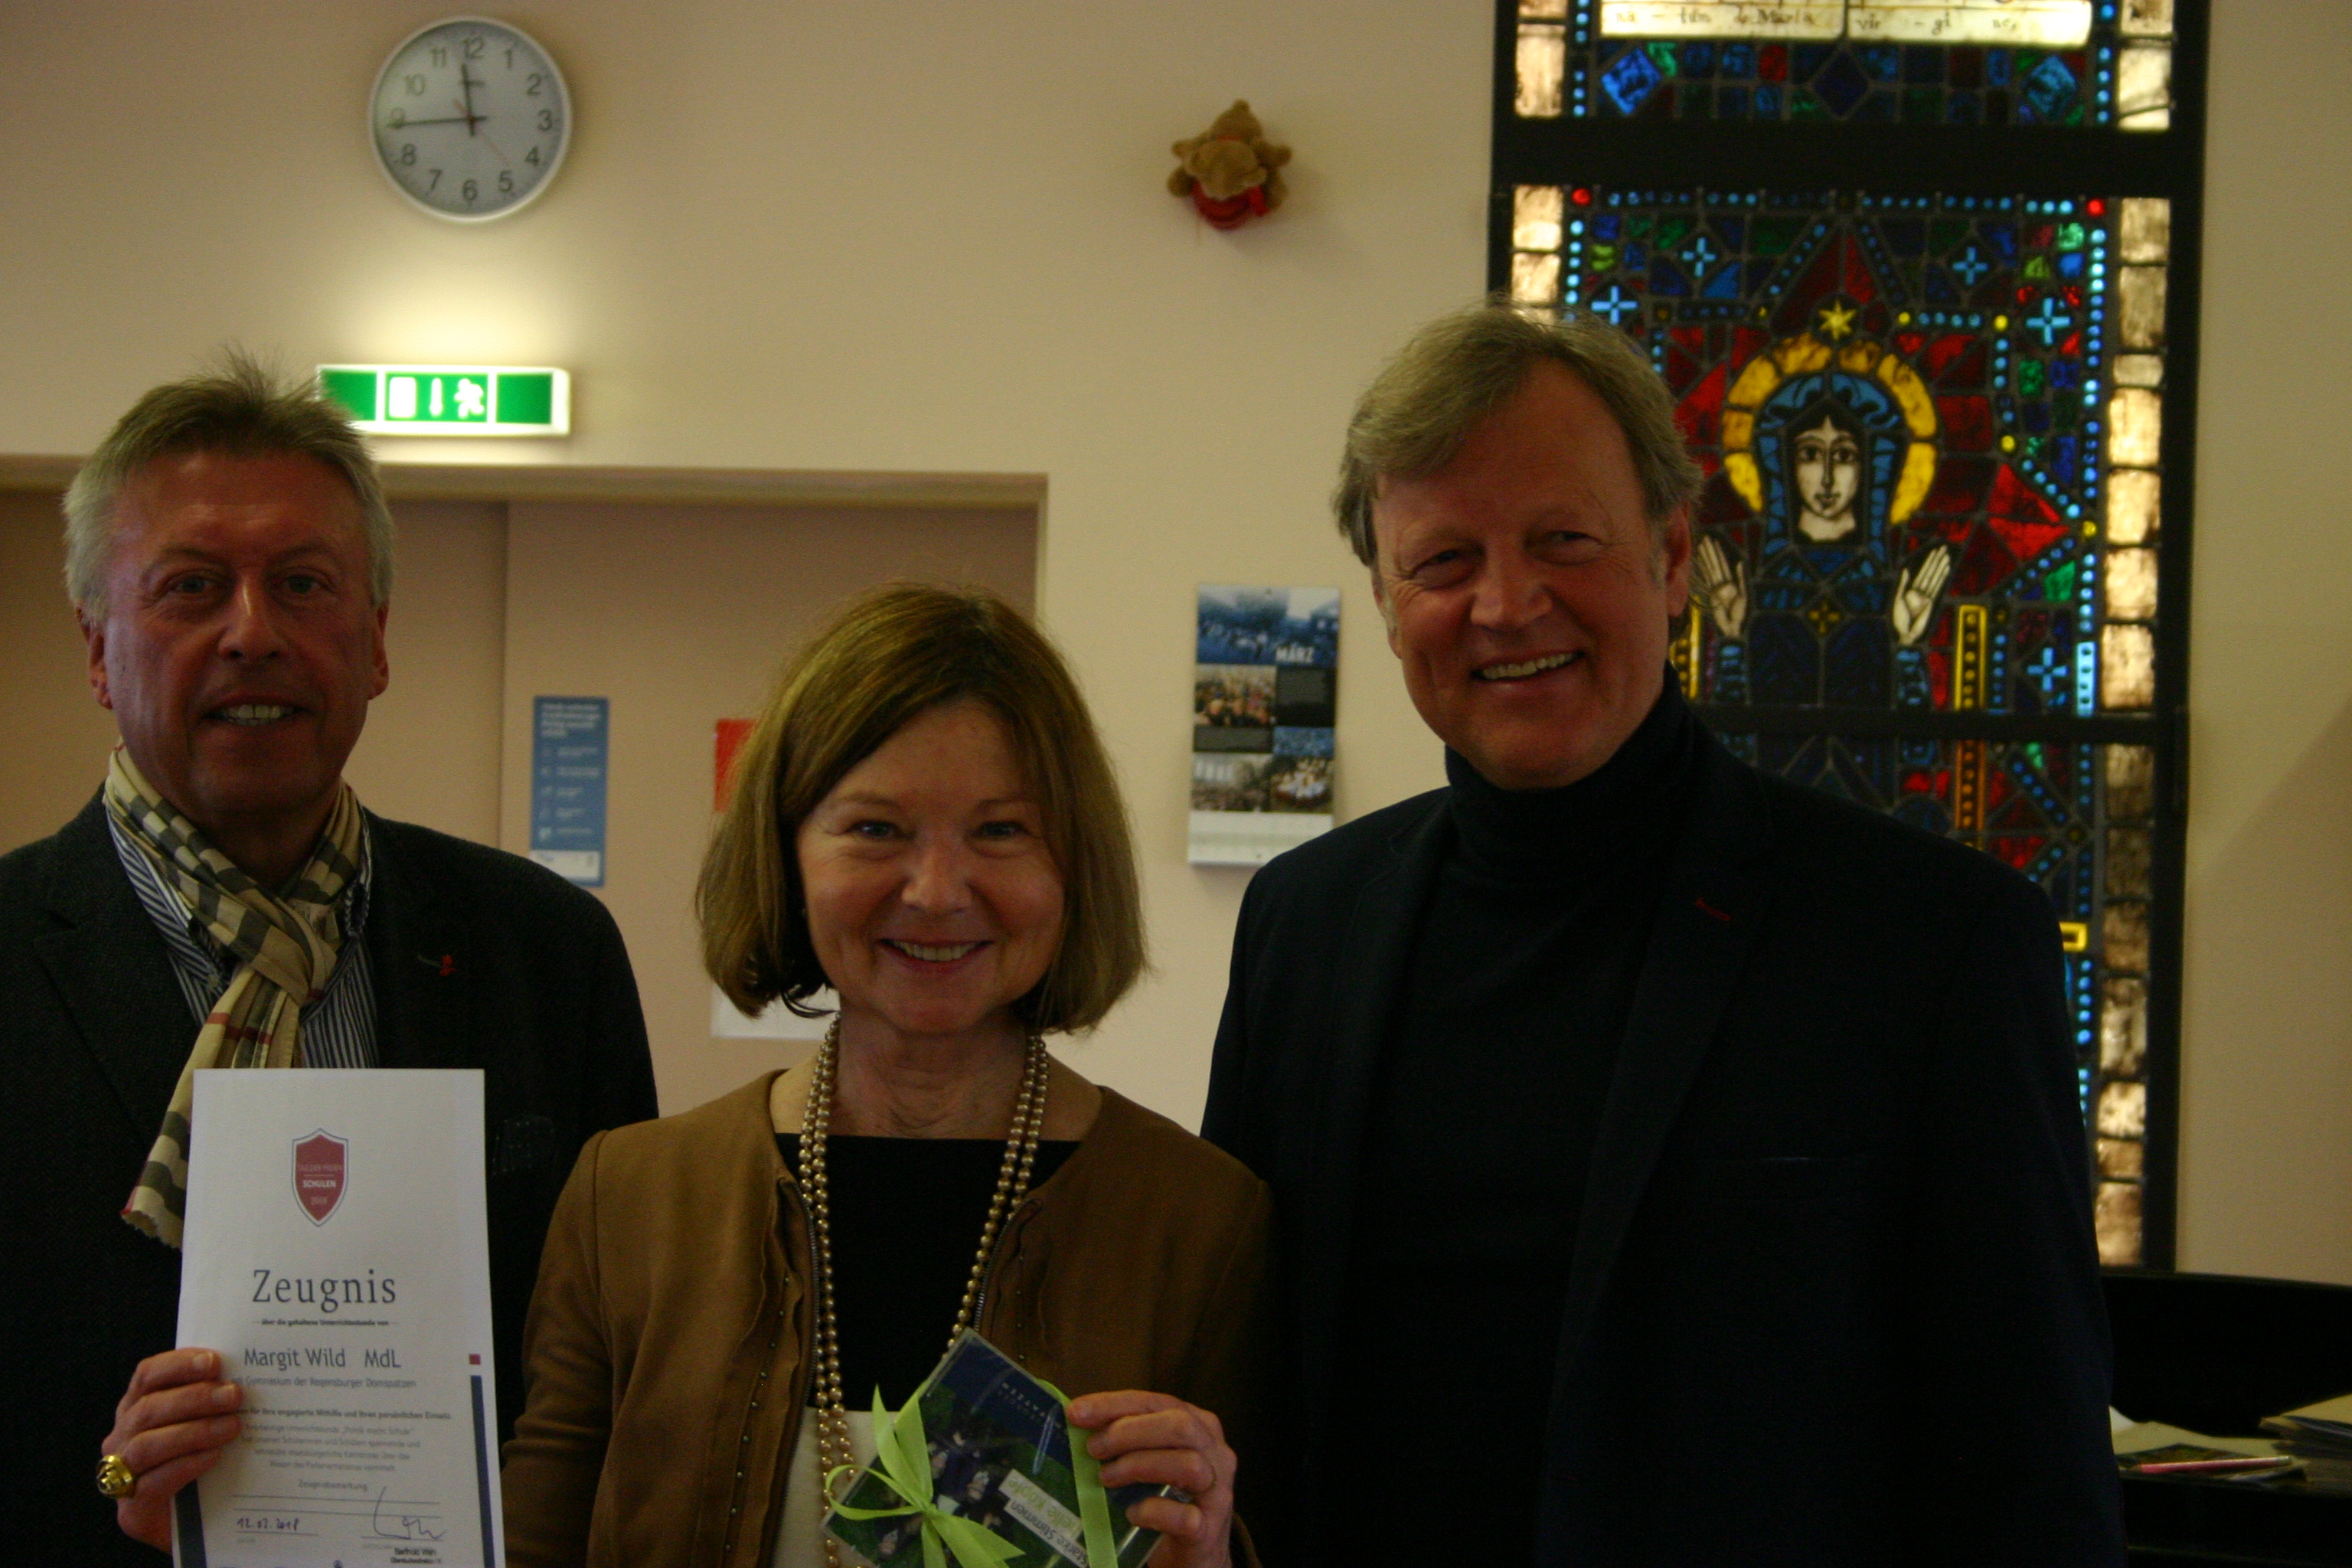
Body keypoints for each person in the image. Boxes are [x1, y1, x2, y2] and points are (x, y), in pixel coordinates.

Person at [1202, 304, 2122, 1564]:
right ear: (1382, 595)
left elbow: (2030, 1482)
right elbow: (1242, 1382)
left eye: (1562, 540)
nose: (1505, 604)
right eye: (1442, 560)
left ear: (1675, 555)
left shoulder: (1934, 945)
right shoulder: (1303, 925)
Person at [0, 357, 658, 1563]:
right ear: (98, 650)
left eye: (303, 585)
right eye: (192, 588)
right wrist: (114, 1487)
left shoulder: (547, 952)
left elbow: (615, 1376)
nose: (254, 633)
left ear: (376, 642)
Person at [498, 584, 1273, 1567]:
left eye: (1000, 830)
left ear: (1074, 865)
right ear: (785, 854)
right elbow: (530, 1543)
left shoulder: (1197, 1218)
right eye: (874, 829)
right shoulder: (632, 1195)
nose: (938, 891)